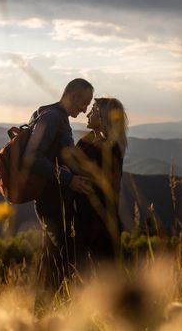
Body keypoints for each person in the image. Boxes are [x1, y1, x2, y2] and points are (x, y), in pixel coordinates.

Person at [23, 78, 93, 295]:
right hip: (51, 200)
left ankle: (42, 313)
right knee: (67, 256)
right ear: (73, 97)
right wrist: (68, 179)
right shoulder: (53, 118)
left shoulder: (54, 115)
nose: (85, 110)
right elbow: (31, 158)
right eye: (84, 103)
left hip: (52, 199)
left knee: (52, 258)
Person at [67, 97, 128, 267]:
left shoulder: (108, 148)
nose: (87, 114)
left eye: (93, 111)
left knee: (104, 278)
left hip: (98, 225)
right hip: (90, 222)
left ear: (103, 117)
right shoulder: (94, 143)